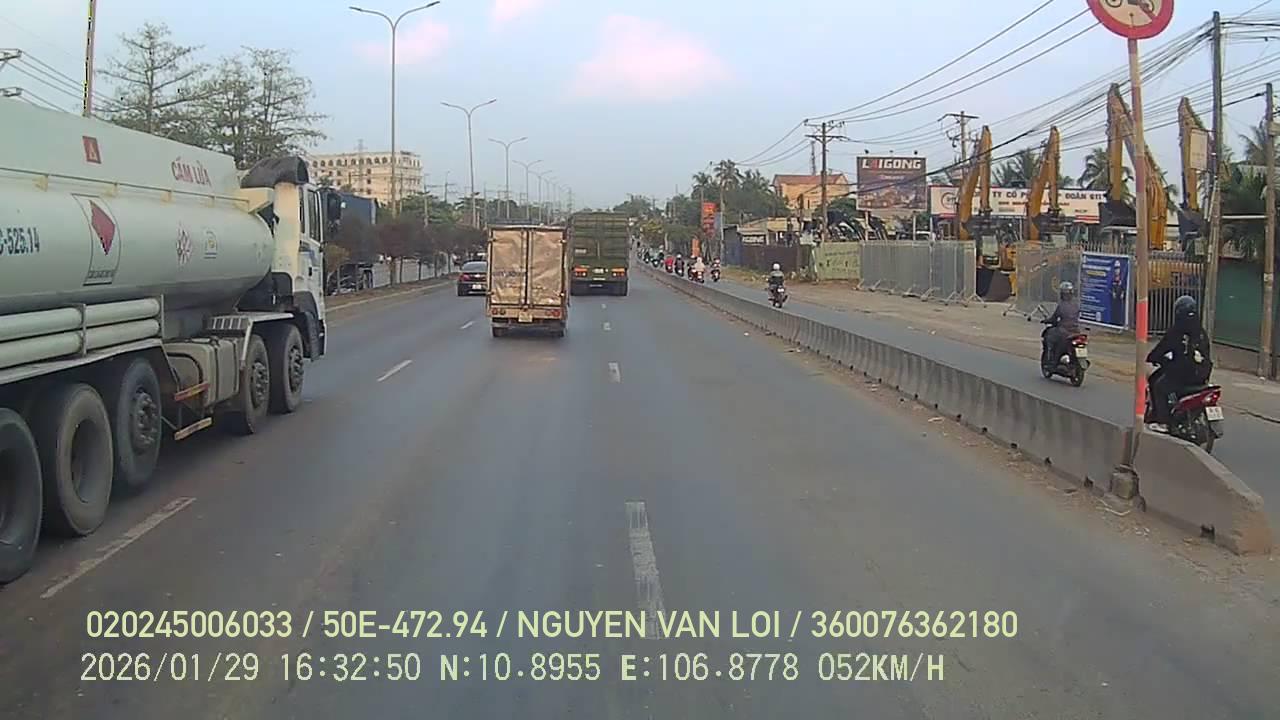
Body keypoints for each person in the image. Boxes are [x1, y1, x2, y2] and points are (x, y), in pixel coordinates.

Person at [1146, 295, 1213, 428]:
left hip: (1184, 375)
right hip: (1202, 375)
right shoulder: (1201, 332)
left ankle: (1163, 422)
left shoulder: (1177, 330)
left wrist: (1152, 357)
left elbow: (1162, 348)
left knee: (1159, 386)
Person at [1043, 281, 1080, 364]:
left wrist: (1047, 320)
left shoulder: (1062, 306)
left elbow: (1054, 318)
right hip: (1076, 331)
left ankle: (1053, 359)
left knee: (1049, 336)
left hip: (1064, 331)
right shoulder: (1076, 305)